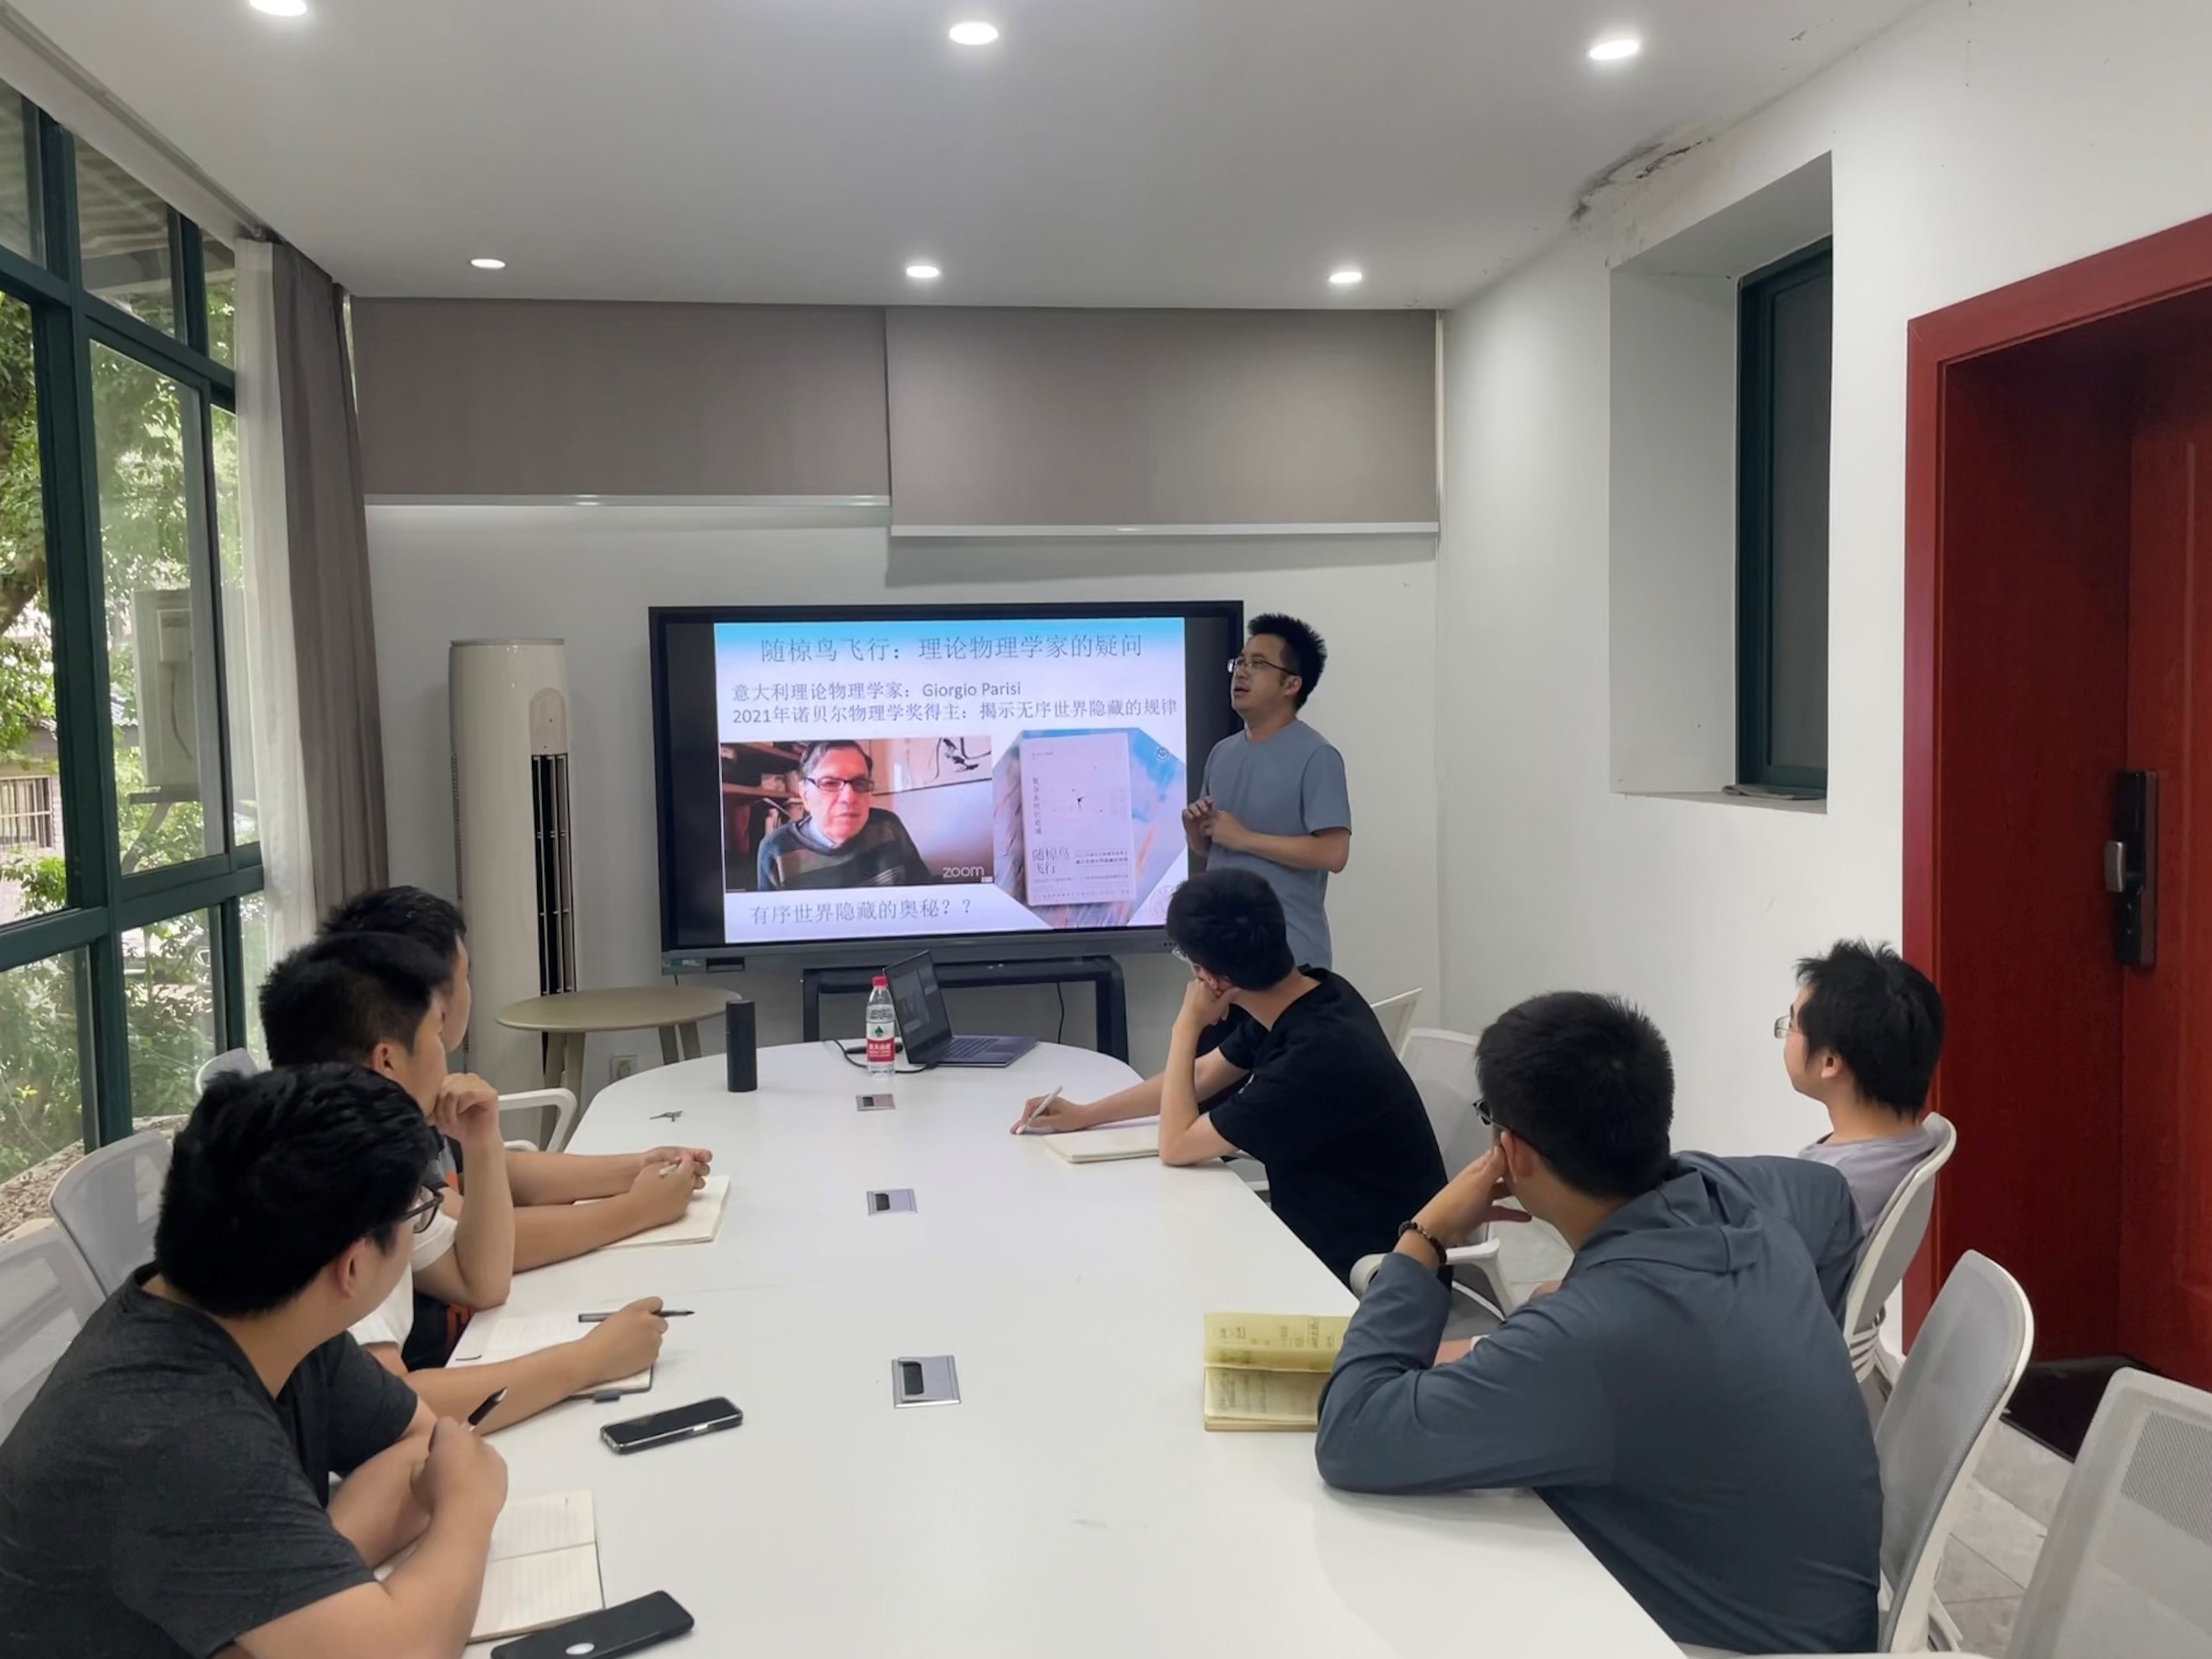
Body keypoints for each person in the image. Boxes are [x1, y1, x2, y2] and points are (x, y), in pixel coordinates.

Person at [1313, 992, 1879, 1655]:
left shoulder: (1587, 1338)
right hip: (1814, 1611)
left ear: (1512, 1153)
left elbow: (1351, 1434)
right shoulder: (1727, 1192)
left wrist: (1426, 1234)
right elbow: (1833, 1200)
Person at [0, 1066, 508, 1658]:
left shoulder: (264, 1305)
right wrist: (467, 1505)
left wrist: (296, 1585)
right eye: (415, 1215)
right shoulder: (177, 1432)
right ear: (352, 1266)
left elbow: (416, 1444)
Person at [261, 932, 670, 1429]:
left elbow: (482, 1281)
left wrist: (482, 1142)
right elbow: (389, 1411)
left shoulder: (358, 1153)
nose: (448, 1055)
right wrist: (588, 1361)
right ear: (388, 1060)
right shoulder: (333, 1190)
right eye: (436, 1035)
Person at [1013, 869, 1444, 1282]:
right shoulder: (1316, 992)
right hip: (1337, 1240)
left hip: (1368, 1273)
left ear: (1211, 978)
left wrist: (1186, 1026)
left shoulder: (1312, 1060)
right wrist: (1085, 1114)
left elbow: (1177, 1145)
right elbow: (1202, 1075)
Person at [322, 886, 716, 1273]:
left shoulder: (406, 1085)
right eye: (466, 976)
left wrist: (639, 1167)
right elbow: (479, 1244)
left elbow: (496, 1175)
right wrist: (638, 1209)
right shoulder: (374, 1123)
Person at [1182, 614, 1351, 969]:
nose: (1241, 673)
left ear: (1291, 684)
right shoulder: (1222, 753)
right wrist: (1197, 833)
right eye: (1240, 662)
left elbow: (1334, 853)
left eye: (1258, 664)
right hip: (1222, 954)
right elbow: (1211, 848)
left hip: (1289, 958)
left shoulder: (1317, 756)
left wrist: (1246, 838)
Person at [1785, 938, 1949, 1228]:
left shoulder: (1829, 1194)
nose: (1786, 1035)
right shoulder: (1919, 1141)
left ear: (1830, 1062)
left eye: (1792, 1025)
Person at [756, 739, 933, 890]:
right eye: (830, 783)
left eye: (860, 783)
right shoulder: (776, 850)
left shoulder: (889, 826)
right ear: (805, 794)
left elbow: (923, 890)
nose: (849, 797)